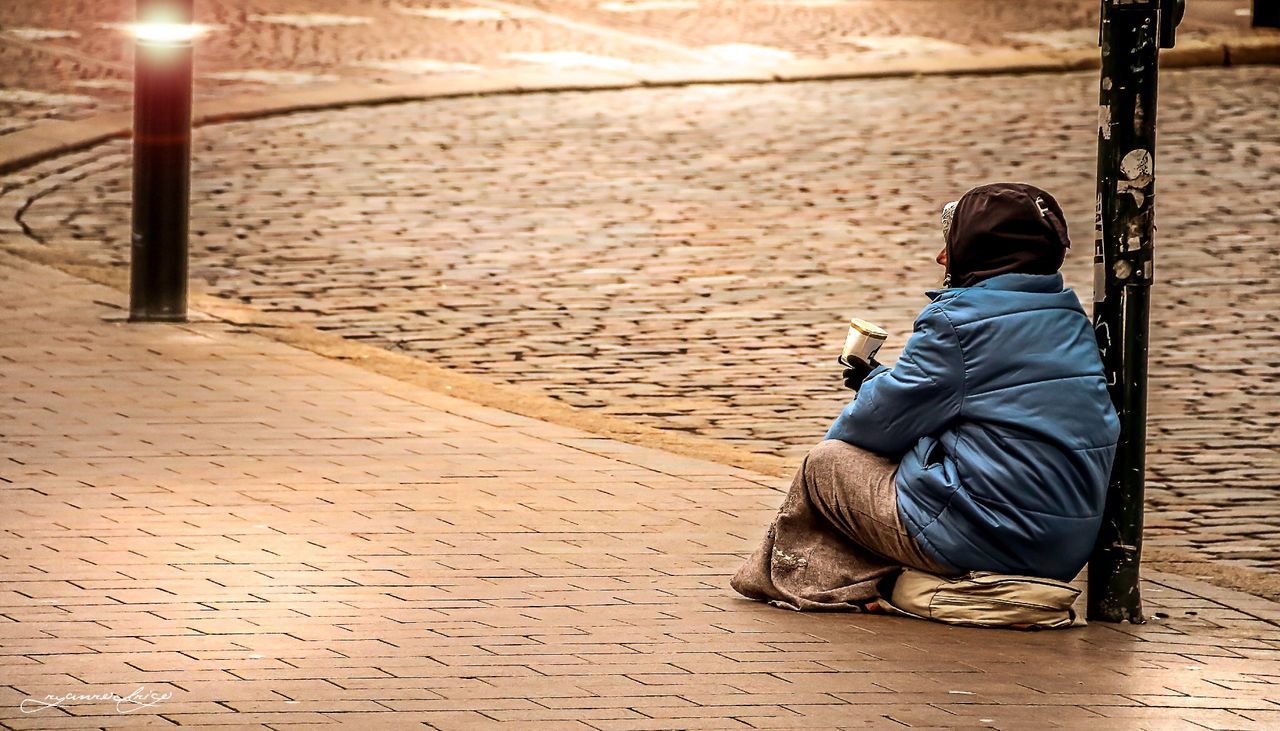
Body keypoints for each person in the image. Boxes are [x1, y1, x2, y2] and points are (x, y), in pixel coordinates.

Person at [732, 182, 1120, 611]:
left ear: (983, 253)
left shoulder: (956, 320)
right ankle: (883, 582)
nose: (941, 258)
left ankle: (813, 586)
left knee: (826, 466)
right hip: (1060, 549)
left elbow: (873, 426)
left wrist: (872, 388)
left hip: (994, 537)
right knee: (915, 457)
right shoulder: (1068, 316)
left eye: (951, 246)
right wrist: (884, 384)